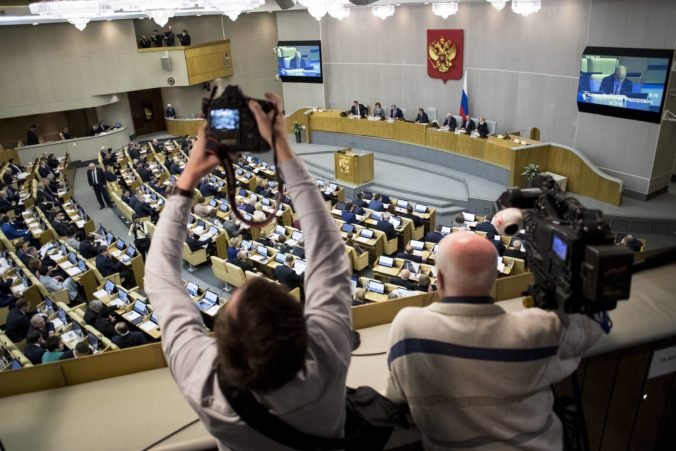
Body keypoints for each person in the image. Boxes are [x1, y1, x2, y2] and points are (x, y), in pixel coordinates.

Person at [144, 92, 353, 450]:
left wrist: (187, 177)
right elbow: (329, 248)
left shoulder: (203, 383)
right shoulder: (328, 352)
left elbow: (158, 276)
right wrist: (281, 145)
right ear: (306, 328)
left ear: (218, 343)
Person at [386, 231, 605, 449]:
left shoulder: (407, 327)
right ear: (496, 278)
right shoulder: (536, 329)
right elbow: (596, 323)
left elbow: (400, 390)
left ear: (439, 279)